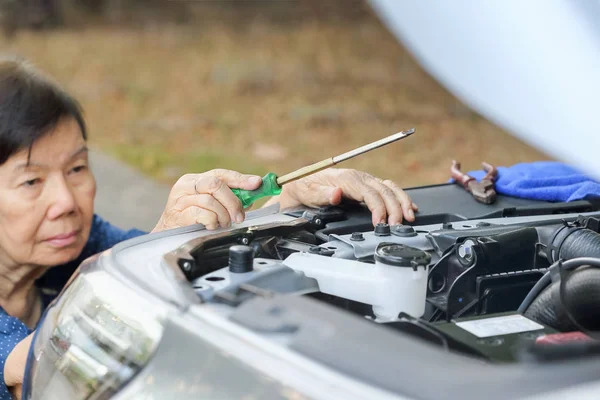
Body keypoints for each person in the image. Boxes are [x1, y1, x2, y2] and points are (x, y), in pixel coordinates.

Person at [0, 56, 417, 398]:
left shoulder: (78, 243)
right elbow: (43, 367)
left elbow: (148, 257)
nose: (67, 202)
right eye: (32, 181)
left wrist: (282, 205)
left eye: (77, 168)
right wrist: (167, 228)